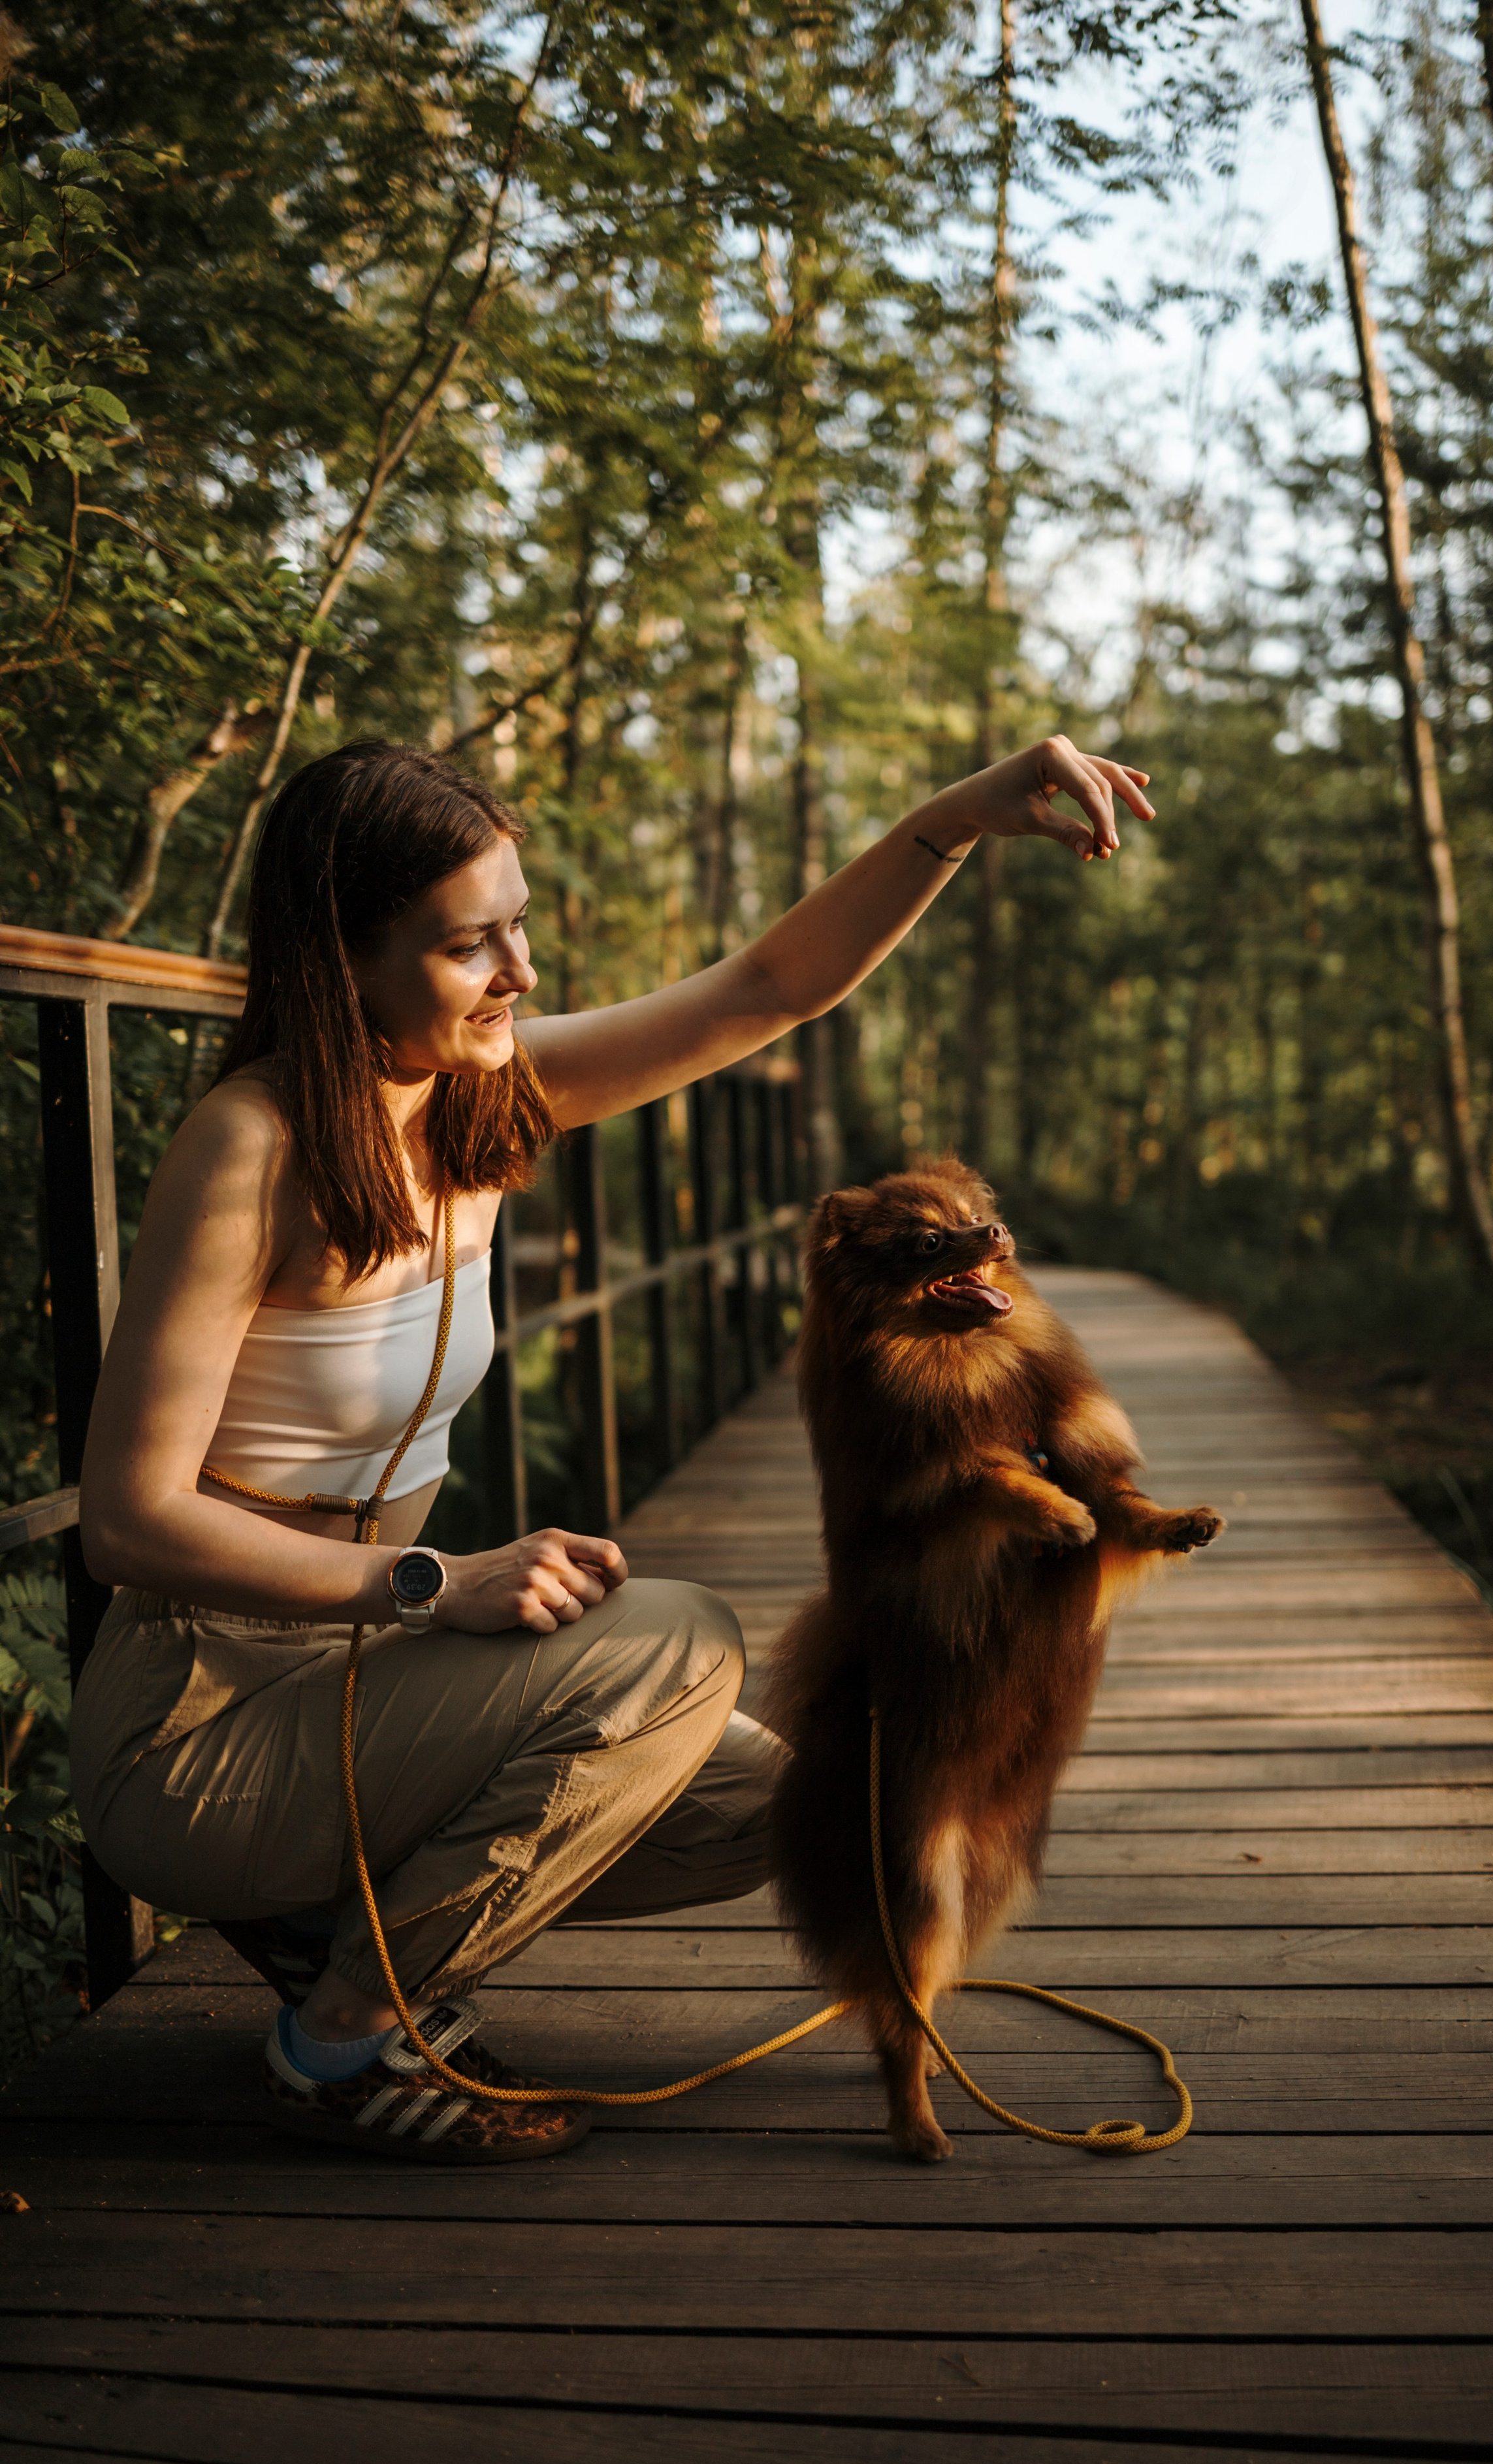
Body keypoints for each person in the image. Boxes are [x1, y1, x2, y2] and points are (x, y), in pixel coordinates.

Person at [72, 731, 1153, 2162]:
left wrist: (961, 814)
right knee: (677, 1644)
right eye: (472, 946)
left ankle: (332, 1918)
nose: (519, 973)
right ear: (347, 959)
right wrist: (437, 1587)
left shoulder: (480, 1103)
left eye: (517, 927)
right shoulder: (249, 1150)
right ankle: (339, 2036)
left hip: (358, 1697)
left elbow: (766, 989)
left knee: (791, 1809)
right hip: (199, 1721)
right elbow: (128, 1519)